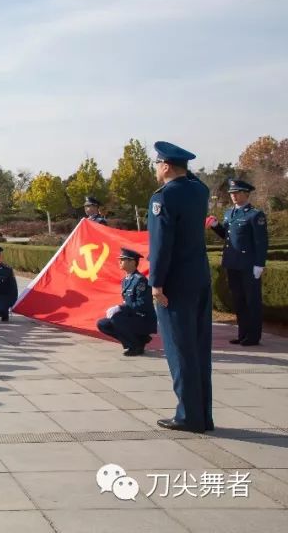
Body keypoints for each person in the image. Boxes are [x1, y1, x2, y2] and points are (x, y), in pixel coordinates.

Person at [147, 141, 214, 433]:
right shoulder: (199, 191)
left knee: (179, 349)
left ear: (165, 166)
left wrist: (156, 282)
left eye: (157, 165)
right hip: (199, 278)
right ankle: (203, 415)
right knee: (199, 349)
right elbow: (193, 180)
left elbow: (161, 245)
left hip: (174, 283)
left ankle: (188, 416)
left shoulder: (164, 197)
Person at [207, 179, 268, 346]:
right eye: (232, 193)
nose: (233, 196)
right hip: (232, 263)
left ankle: (253, 336)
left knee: (252, 301)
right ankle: (243, 334)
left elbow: (261, 242)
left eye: (237, 193)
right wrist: (215, 225)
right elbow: (226, 236)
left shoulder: (255, 215)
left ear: (246, 194)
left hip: (248, 265)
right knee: (239, 300)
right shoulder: (229, 213)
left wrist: (259, 264)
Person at [96, 248, 156, 355]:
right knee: (103, 324)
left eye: (123, 259)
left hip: (143, 319)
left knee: (116, 319)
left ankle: (136, 346)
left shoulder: (140, 280)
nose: (120, 262)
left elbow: (142, 303)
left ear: (132, 262)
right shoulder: (126, 280)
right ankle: (136, 341)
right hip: (132, 317)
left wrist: (121, 308)